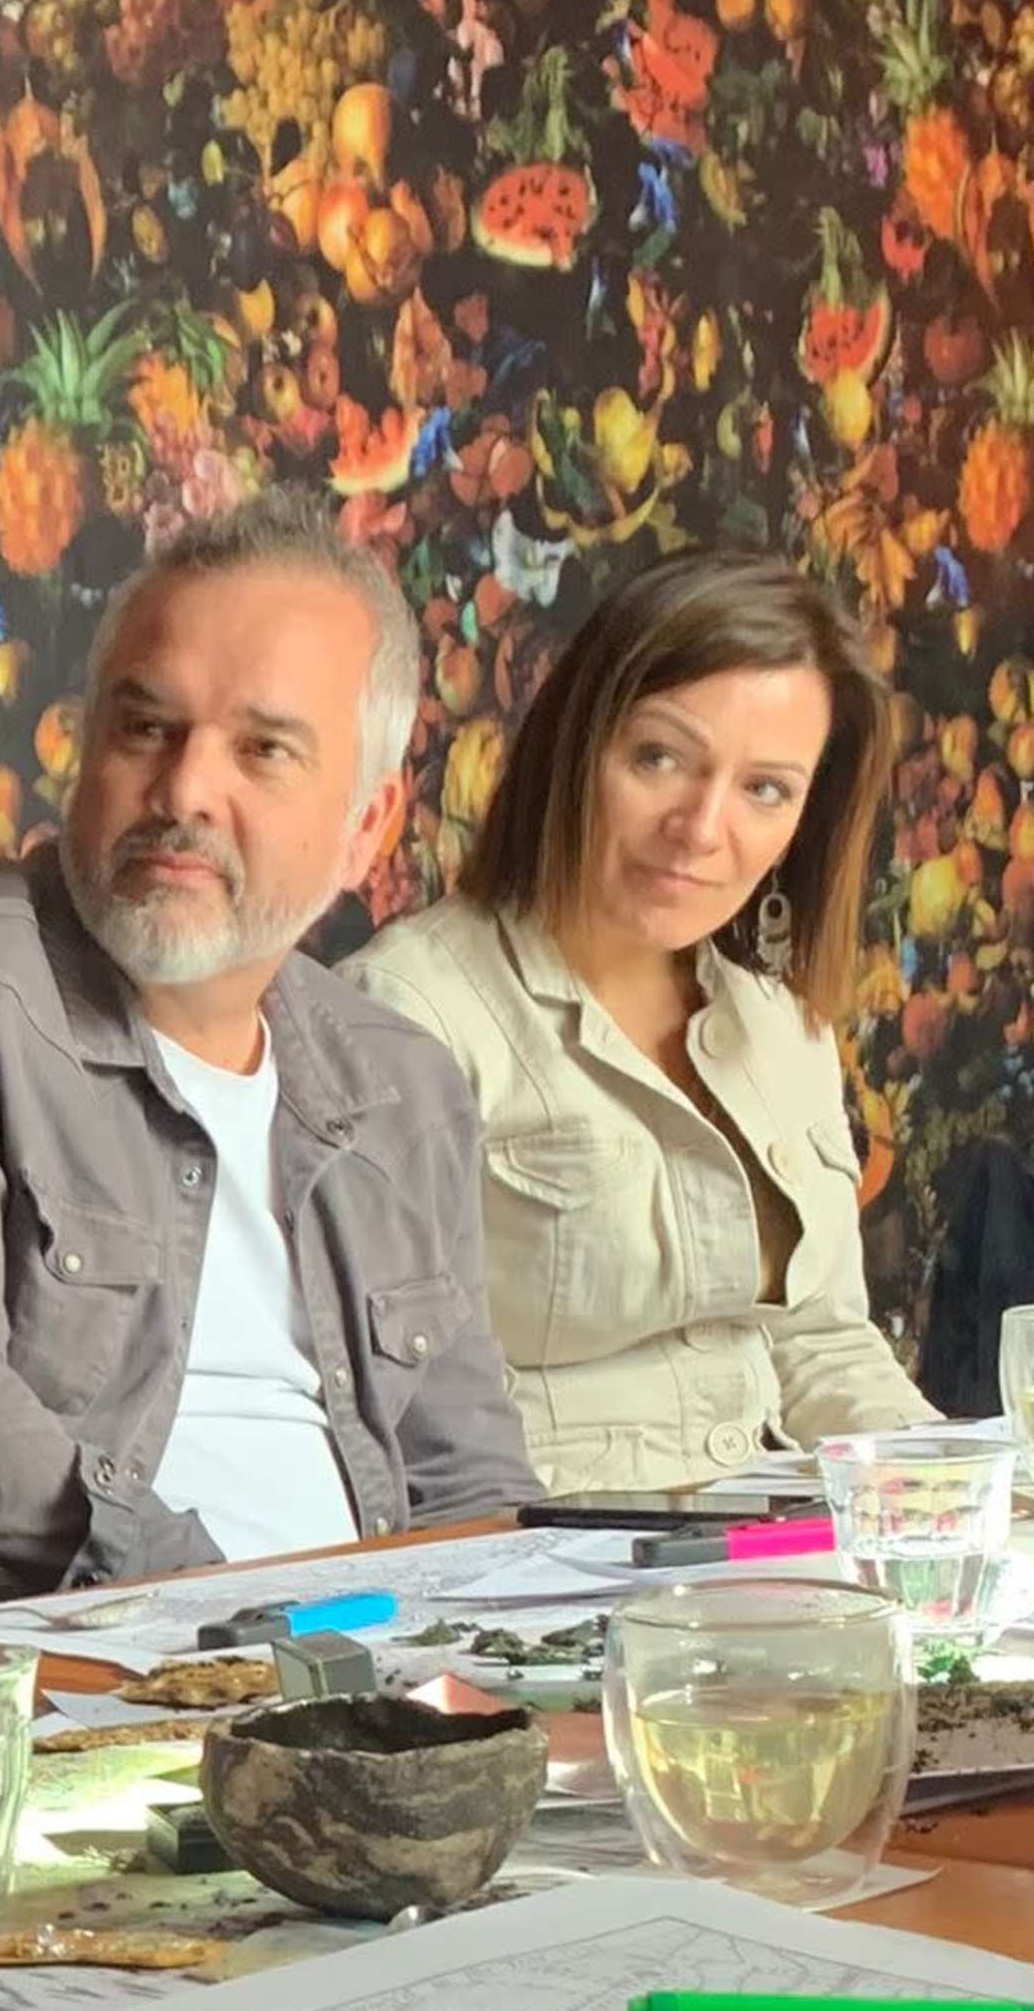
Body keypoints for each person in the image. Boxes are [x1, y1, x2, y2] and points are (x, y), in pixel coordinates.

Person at [0, 491, 533, 1615]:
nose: (181, 792)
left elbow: (472, 1486)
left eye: (262, 750)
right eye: (145, 729)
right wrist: (262, 1628)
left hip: (363, 1707)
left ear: (367, 826)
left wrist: (514, 1655)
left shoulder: (400, 1084)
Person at [344, 553, 926, 1497]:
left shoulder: (781, 1024)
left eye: (765, 790)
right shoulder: (407, 1013)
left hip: (780, 1546)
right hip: (550, 1564)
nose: (701, 828)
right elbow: (394, 1405)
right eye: (660, 759)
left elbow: (822, 1346)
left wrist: (965, 1492)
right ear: (578, 746)